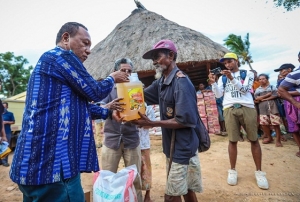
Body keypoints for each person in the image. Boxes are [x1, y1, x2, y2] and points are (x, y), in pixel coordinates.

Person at [9, 22, 129, 202]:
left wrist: (107, 110)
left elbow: (74, 108)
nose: (88, 50)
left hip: (34, 167)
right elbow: (95, 91)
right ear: (66, 38)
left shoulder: (51, 63)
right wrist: (112, 78)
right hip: (53, 167)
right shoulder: (61, 56)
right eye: (84, 43)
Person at [130, 39, 203, 202]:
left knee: (171, 196)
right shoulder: (162, 81)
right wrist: (127, 87)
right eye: (153, 58)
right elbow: (142, 96)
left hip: (183, 148)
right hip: (172, 146)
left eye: (157, 57)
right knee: (187, 191)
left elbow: (185, 120)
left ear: (171, 55)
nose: (154, 62)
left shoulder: (181, 82)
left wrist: (152, 123)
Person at [209, 52, 269, 190]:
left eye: (229, 61)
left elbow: (245, 90)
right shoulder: (222, 78)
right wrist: (213, 84)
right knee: (232, 141)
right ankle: (232, 170)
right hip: (229, 108)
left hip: (247, 107)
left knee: (253, 139)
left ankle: (259, 172)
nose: (227, 64)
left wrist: (231, 78)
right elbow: (218, 94)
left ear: (236, 61)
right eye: (225, 63)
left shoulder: (247, 73)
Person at [101, 58, 143, 202]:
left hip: (132, 139)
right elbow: (98, 108)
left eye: (129, 71)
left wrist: (139, 116)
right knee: (107, 178)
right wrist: (110, 108)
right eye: (123, 70)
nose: (126, 74)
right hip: (111, 140)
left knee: (135, 179)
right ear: (115, 72)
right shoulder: (107, 89)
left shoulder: (136, 90)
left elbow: (143, 110)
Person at [254, 74, 282, 147]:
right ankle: (269, 137)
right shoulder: (257, 89)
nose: (261, 80)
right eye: (260, 79)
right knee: (264, 124)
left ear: (267, 79)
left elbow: (275, 95)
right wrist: (267, 95)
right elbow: (256, 99)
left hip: (273, 107)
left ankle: (278, 140)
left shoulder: (272, 87)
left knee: (276, 124)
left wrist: (263, 99)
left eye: (263, 79)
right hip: (262, 108)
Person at [278, 66, 300, 158]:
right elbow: (280, 92)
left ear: (289, 69)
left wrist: (289, 93)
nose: (281, 72)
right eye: (280, 71)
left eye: (282, 70)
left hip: (291, 100)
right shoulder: (293, 76)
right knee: (293, 126)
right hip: (289, 103)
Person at [138, 103, 156, 202]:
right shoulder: (129, 107)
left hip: (144, 144)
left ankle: (147, 195)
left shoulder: (147, 108)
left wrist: (137, 122)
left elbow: (150, 124)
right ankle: (137, 195)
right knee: (134, 170)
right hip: (131, 144)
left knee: (146, 169)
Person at [1, 102, 15, 166]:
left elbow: (13, 122)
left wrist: (6, 122)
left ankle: (5, 161)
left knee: (5, 147)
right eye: (2, 106)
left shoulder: (10, 114)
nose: (3, 108)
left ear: (7, 107)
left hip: (7, 132)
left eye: (5, 107)